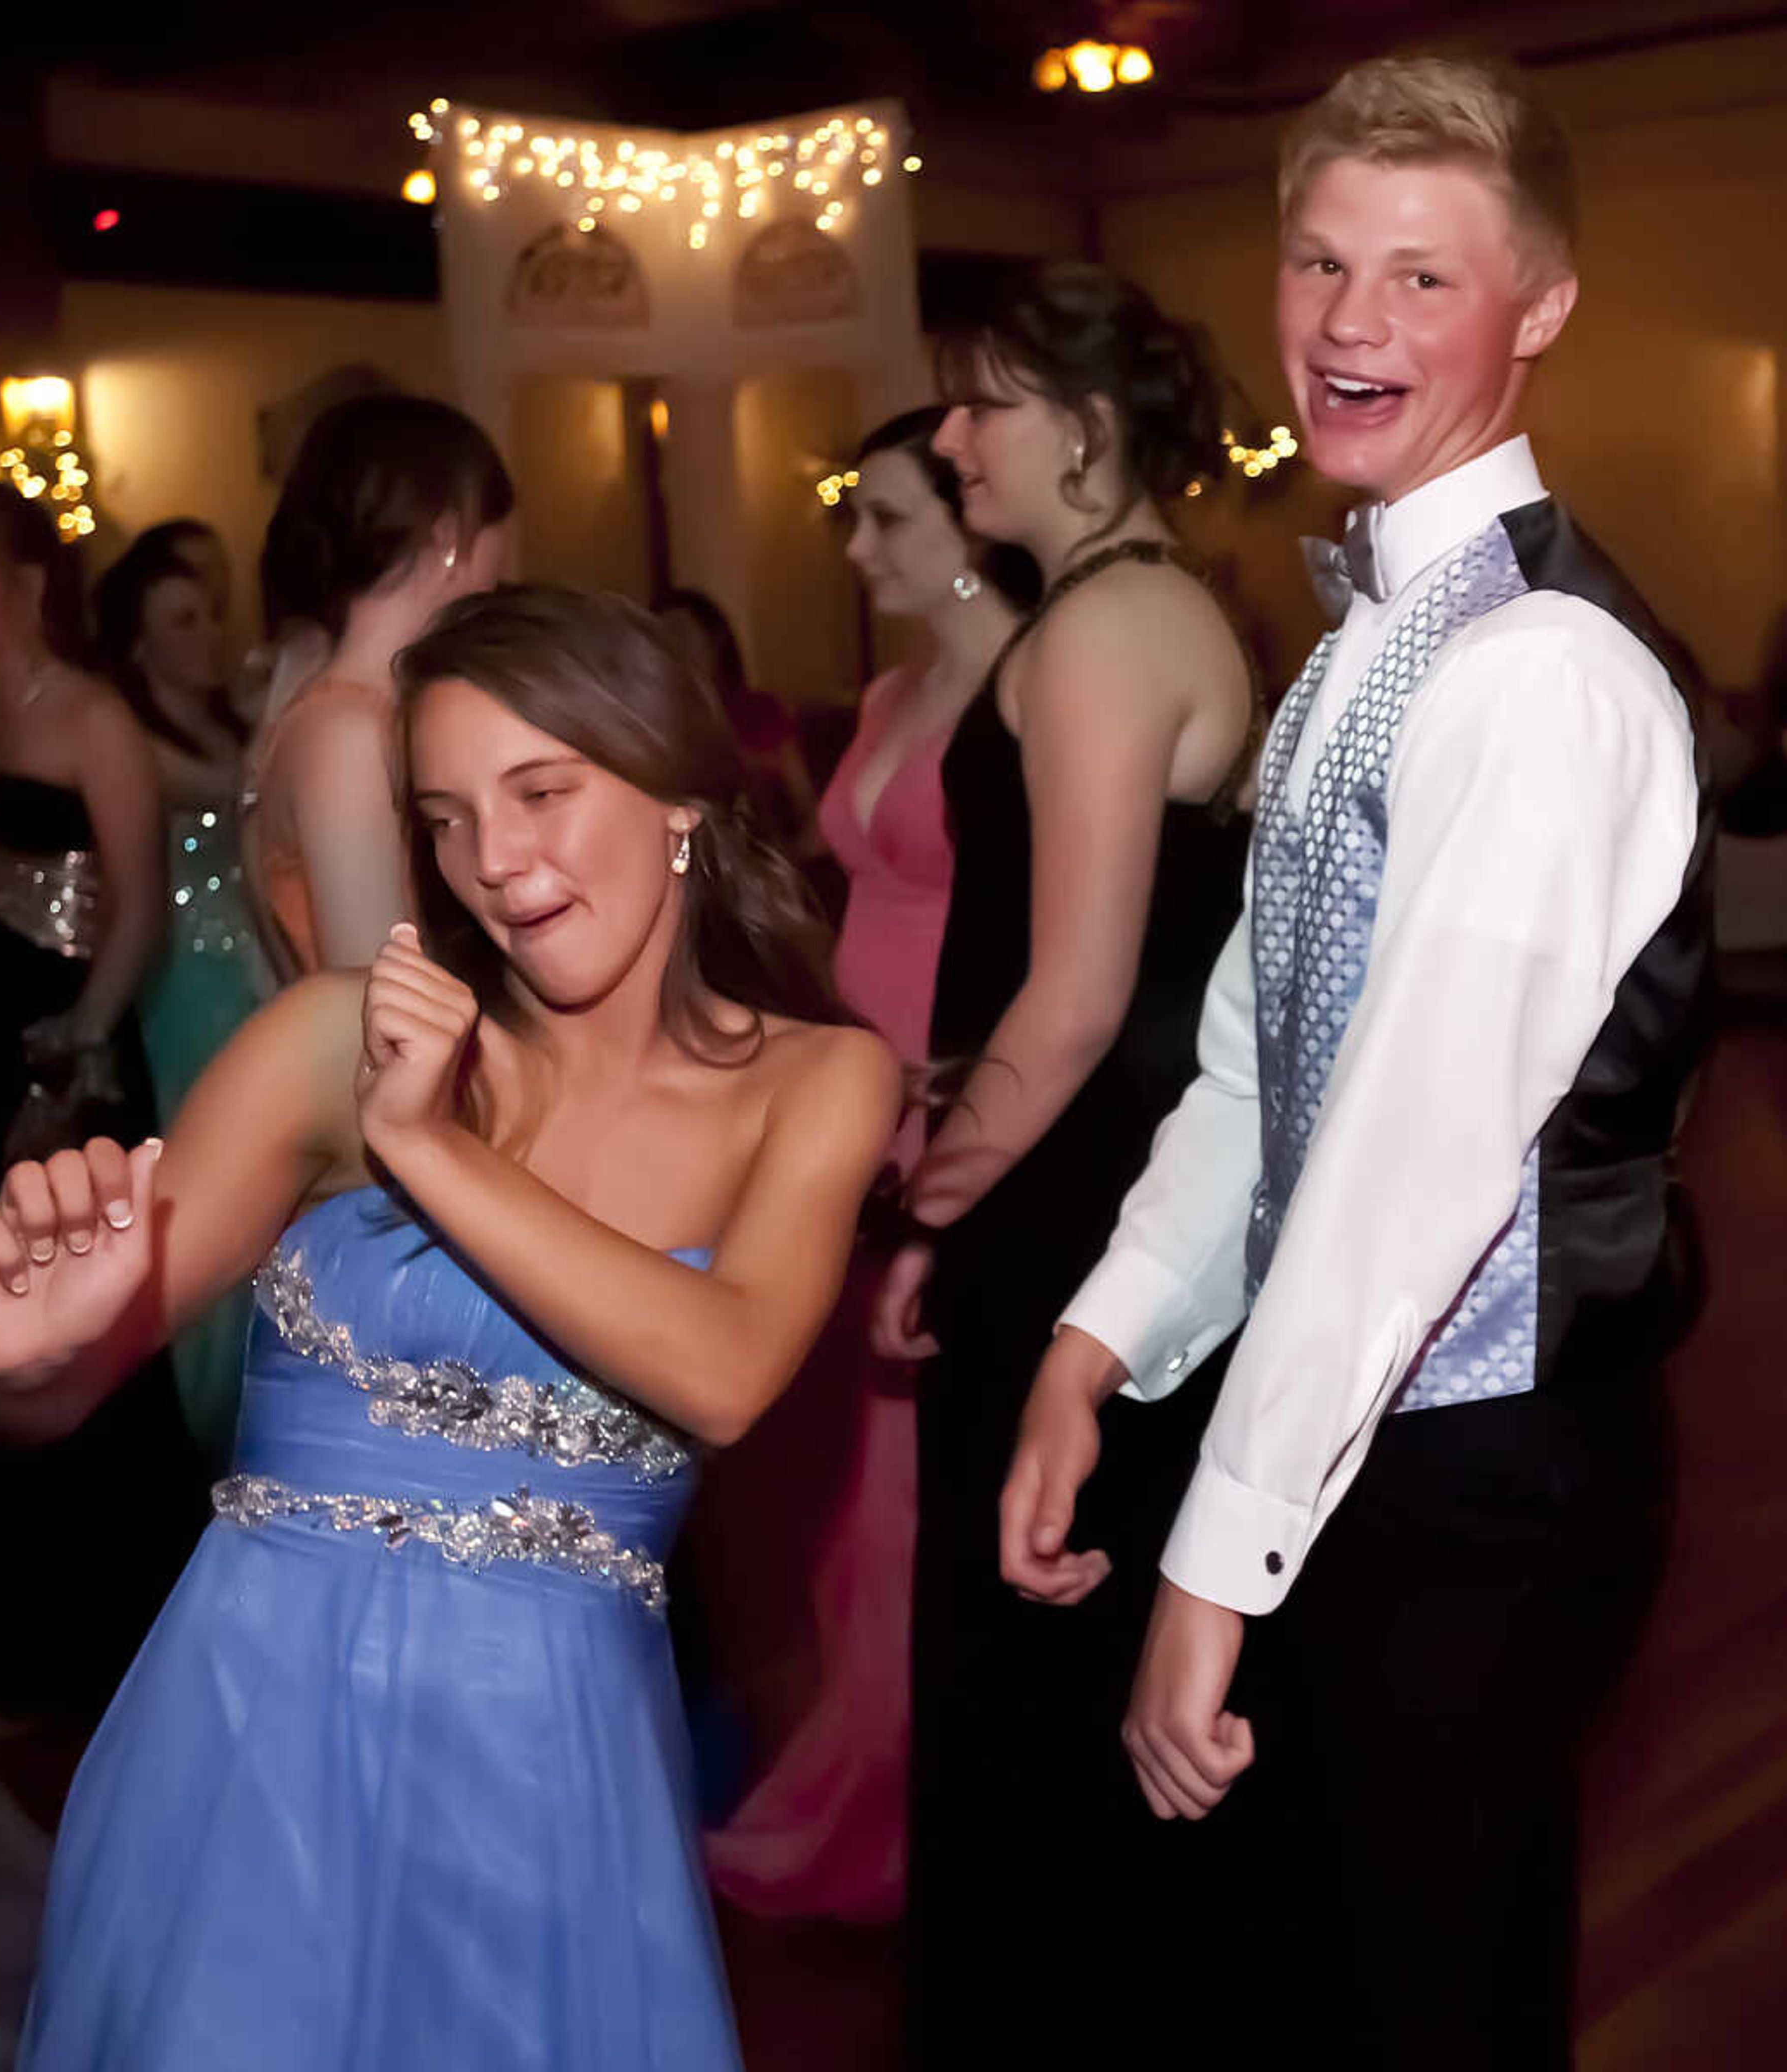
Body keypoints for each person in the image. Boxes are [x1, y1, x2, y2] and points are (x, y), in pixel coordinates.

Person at [1002, 56, 1710, 2071]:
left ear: (1542, 308)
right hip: (1378, 1435)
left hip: (1488, 1457)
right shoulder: (1370, 638)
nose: (1346, 322)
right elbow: (1263, 1057)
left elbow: (1406, 1156)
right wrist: (1103, 1332)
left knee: (1422, 2002)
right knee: (1333, 1978)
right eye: (1321, 262)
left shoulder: (1545, 676)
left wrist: (1213, 1554)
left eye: (1419, 277)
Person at [0, 584, 899, 2069]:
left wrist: (431, 1143)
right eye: (445, 814)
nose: (494, 863)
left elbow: (721, 1371)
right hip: (248, 1744)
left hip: (547, 1786)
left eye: (539, 791)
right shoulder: (336, 1038)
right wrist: (19, 1353)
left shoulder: (817, 1082)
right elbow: (44, 1403)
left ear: (676, 797)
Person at [875, 262, 1258, 2059]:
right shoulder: (1111, 611)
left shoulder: (1110, 630)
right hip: (1070, 1185)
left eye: (985, 406)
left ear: (1091, 436)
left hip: (1083, 1194)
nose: (954, 440)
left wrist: (931, 1203)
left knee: (1032, 1670)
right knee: (1026, 1667)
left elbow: (1079, 991)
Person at [696, 407, 1026, 1922]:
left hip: (958, 1092)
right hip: (854, 1082)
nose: (853, 547)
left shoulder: (1033, 687)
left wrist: (968, 1103)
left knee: (916, 1457)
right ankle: (870, 1763)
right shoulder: (897, 683)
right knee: (852, 1459)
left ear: (968, 515)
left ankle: (925, 1792)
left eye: (883, 516)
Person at [0, 479, 200, 1725]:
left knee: (84, 1316)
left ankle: (117, 1643)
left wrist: (73, 1054)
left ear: (27, 583)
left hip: (70, 1040)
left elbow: (137, 909)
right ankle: (8, 1648)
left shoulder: (92, 721)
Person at [95, 534, 272, 1462]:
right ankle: (216, 1432)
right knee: (208, 1199)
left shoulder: (226, 727)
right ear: (137, 644)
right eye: (182, 621)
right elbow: (249, 799)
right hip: (187, 995)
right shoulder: (142, 749)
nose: (208, 634)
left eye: (210, 614)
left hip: (251, 987)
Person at [245, 394, 515, 977]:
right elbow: (374, 993)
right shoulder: (347, 736)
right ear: (449, 536)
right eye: (496, 530)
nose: (503, 565)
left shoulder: (368, 713)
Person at [653, 587, 821, 865]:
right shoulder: (649, 718)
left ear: (716, 644)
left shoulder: (758, 712)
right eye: (664, 636)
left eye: (684, 635)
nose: (676, 647)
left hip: (758, 857)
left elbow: (805, 803)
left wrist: (789, 866)